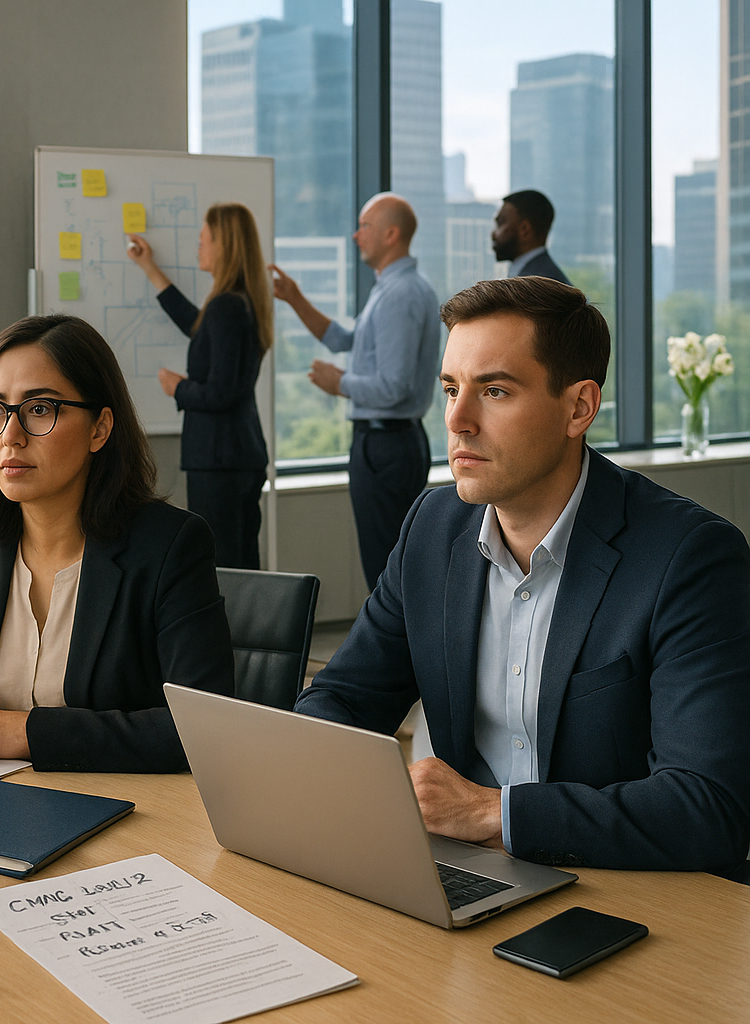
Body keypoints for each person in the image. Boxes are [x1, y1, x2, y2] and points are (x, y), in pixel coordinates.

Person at [295, 276, 750, 874]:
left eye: (495, 391)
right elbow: (341, 698)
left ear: (578, 408)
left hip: (622, 890)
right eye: (451, 389)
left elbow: (708, 809)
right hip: (465, 873)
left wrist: (493, 813)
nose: (457, 420)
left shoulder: (690, 557)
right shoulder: (432, 528)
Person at [0, 315, 234, 773]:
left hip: (124, 803)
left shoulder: (170, 546)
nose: (10, 436)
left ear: (99, 428)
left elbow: (202, 728)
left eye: (39, 409)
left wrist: (24, 732)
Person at [269, 192, 441, 591]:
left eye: (364, 226)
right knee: (386, 564)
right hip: (386, 442)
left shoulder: (399, 294)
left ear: (391, 234)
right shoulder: (390, 288)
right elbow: (344, 340)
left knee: (385, 569)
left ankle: (395, 635)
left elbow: (394, 387)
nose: (355, 235)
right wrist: (295, 298)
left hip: (386, 445)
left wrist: (340, 383)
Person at [125, 202, 272, 569]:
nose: (198, 248)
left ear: (225, 245)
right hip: (235, 455)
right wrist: (150, 269)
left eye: (205, 240)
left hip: (219, 459)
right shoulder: (239, 302)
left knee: (224, 567)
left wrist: (179, 388)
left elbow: (221, 392)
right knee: (240, 565)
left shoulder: (226, 306)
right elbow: (197, 325)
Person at [490, 189, 571, 285]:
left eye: (500, 223)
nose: (493, 234)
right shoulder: (543, 277)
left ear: (524, 229)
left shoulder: (539, 285)